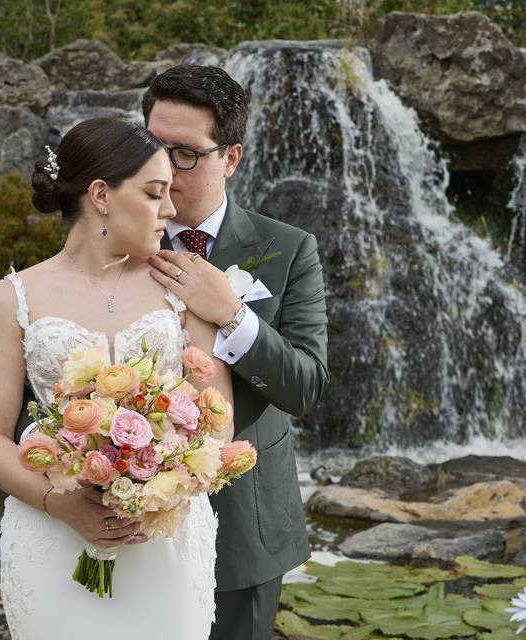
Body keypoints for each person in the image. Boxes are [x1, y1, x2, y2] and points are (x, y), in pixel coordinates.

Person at [0, 118, 232, 638]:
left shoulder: (184, 286)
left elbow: (217, 417)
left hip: (164, 536)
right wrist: (61, 504)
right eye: (155, 193)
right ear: (100, 195)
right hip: (54, 532)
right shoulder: (13, 299)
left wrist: (164, 483)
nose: (171, 211)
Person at [143, 65, 330, 640]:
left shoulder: (290, 249)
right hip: (123, 512)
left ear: (232, 157)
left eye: (186, 154)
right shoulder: (113, 241)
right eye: (152, 145)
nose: (165, 169)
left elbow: (305, 386)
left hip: (242, 520)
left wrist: (233, 314)